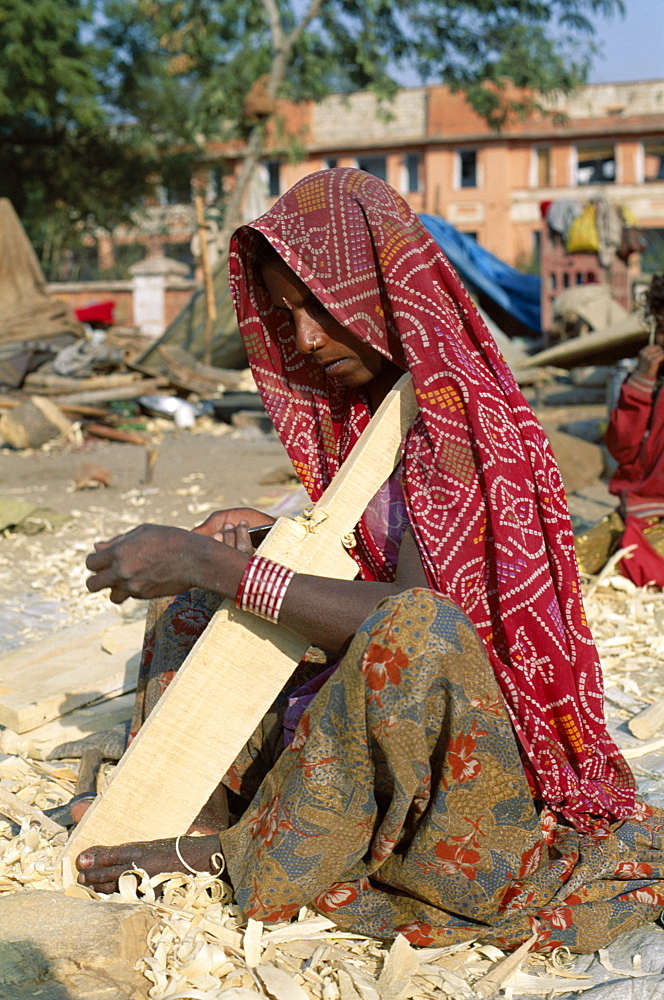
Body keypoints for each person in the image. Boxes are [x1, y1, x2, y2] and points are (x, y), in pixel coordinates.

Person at [76, 168, 664, 953]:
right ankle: (203, 805)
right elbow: (375, 554)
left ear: (379, 290)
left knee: (403, 630)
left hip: (472, 751)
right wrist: (259, 539)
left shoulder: (459, 421)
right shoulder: (378, 416)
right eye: (288, 315)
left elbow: (417, 620)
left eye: (319, 306)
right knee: (195, 594)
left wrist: (211, 565)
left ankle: (245, 854)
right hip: (379, 703)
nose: (307, 338)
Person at [605, 274, 664, 587]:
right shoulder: (646, 382)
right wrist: (641, 385)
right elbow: (622, 448)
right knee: (581, 560)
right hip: (640, 513)